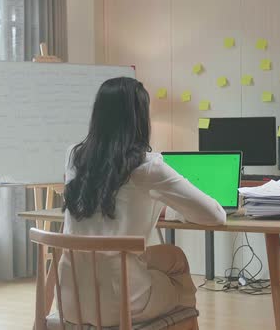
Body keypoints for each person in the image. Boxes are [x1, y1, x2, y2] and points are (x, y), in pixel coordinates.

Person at [60, 77, 226, 326]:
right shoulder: (147, 167)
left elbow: (112, 204)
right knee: (183, 291)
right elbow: (215, 215)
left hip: (70, 303)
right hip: (122, 304)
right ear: (139, 119)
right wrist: (176, 212)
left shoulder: (75, 156)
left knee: (174, 256)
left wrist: (163, 213)